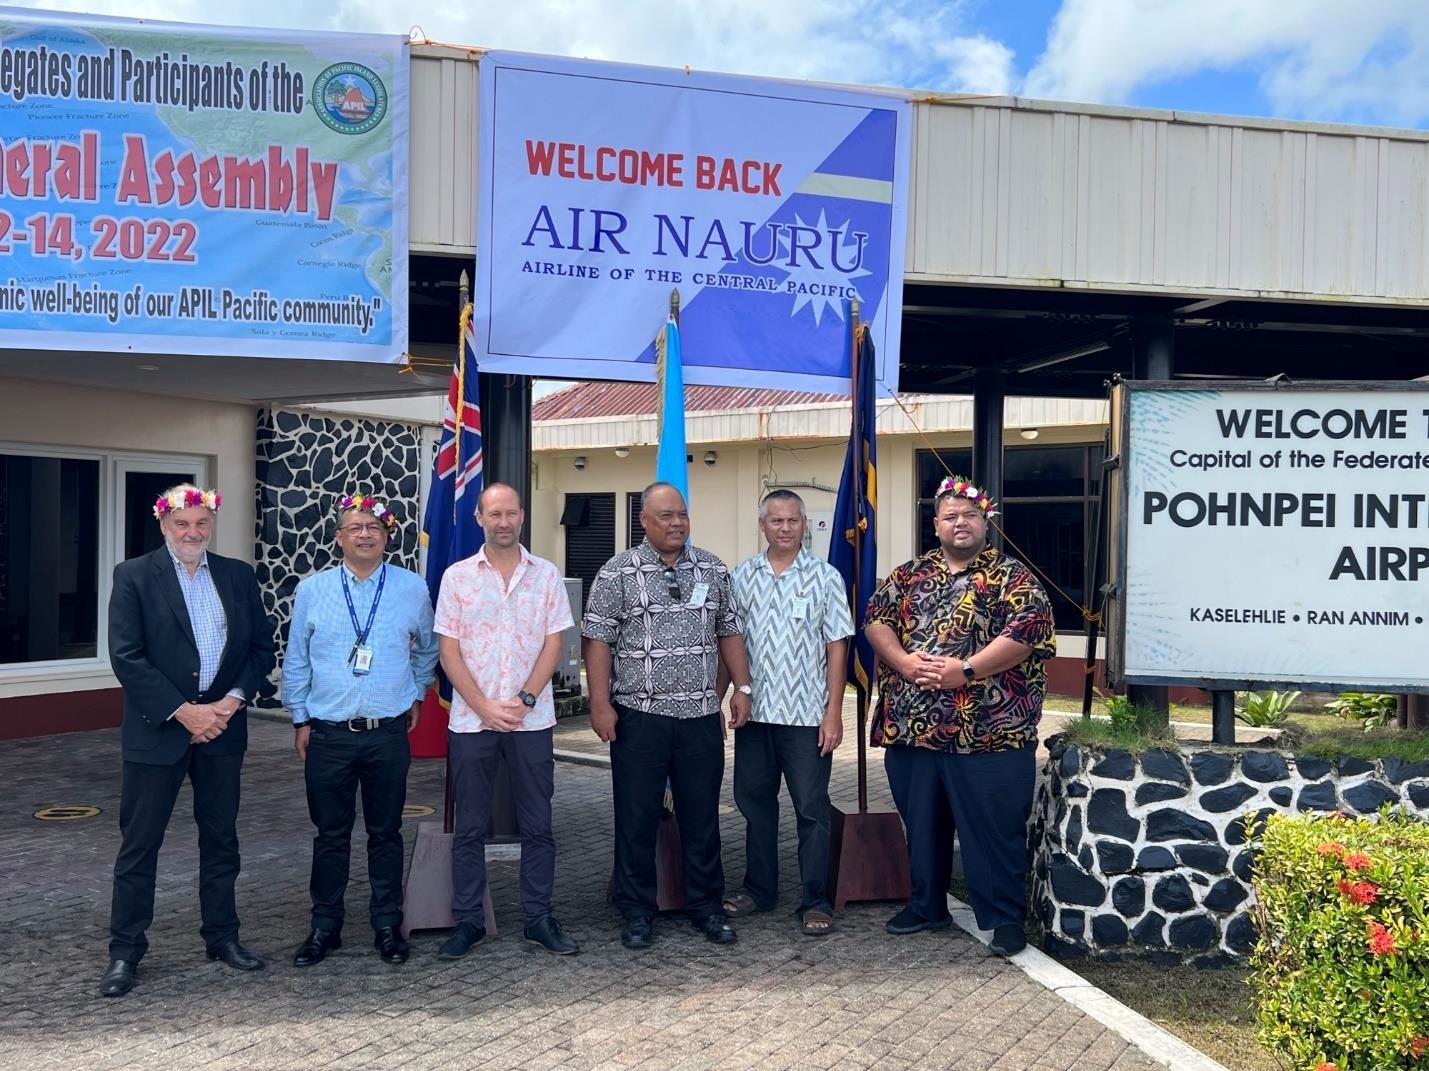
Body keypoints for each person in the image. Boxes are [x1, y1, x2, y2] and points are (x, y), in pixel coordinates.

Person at [864, 475, 1055, 957]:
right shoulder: (908, 575)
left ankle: (1006, 920)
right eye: (950, 516)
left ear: (985, 521)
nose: (960, 523)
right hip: (912, 731)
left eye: (969, 515)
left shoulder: (1015, 578)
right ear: (936, 525)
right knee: (922, 825)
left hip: (989, 734)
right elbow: (876, 621)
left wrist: (965, 670)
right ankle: (927, 904)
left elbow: (1028, 632)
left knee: (994, 831)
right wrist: (904, 662)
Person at [99, 485, 277, 998]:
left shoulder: (238, 576)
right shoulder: (133, 576)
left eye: (201, 523)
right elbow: (126, 657)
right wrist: (186, 712)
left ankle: (222, 937)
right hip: (160, 731)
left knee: (221, 840)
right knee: (140, 845)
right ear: (163, 526)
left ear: (211, 523)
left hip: (223, 728)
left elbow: (260, 648)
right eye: (183, 524)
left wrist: (233, 701)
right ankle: (125, 951)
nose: (193, 532)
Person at [582, 481, 753, 950]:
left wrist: (742, 687)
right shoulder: (617, 572)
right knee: (636, 817)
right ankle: (637, 910)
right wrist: (600, 704)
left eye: (682, 515)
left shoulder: (712, 567)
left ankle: (706, 906)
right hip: (639, 715)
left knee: (702, 817)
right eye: (665, 516)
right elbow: (597, 641)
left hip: (700, 716)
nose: (676, 523)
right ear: (644, 521)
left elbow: (730, 631)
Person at [283, 493, 438, 968]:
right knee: (330, 835)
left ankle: (387, 925)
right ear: (339, 537)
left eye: (374, 526)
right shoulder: (313, 590)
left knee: (386, 832)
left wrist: (415, 694)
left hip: (386, 733)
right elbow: (297, 660)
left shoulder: (412, 588)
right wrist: (300, 717)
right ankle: (324, 927)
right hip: (328, 732)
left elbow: (427, 648)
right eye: (355, 527)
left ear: (388, 536)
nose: (365, 533)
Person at [433, 483, 580, 959]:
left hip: (530, 721)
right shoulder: (457, 577)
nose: (503, 522)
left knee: (539, 824)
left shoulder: (546, 575)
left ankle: (538, 918)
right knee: (469, 826)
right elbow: (448, 651)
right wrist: (482, 705)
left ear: (521, 517)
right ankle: (468, 920)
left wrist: (524, 698)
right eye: (494, 514)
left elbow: (554, 643)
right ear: (479, 518)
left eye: (511, 514)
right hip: (472, 723)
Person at [723, 490, 852, 935]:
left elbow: (838, 649)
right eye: (775, 521)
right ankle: (759, 889)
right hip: (755, 717)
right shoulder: (741, 577)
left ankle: (815, 899)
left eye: (792, 520)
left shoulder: (825, 577)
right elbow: (730, 643)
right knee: (755, 804)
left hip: (806, 717)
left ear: (803, 524)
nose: (784, 528)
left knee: (811, 809)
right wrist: (726, 696)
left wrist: (833, 714)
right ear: (762, 525)